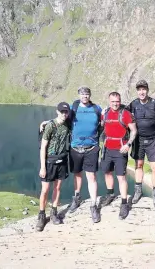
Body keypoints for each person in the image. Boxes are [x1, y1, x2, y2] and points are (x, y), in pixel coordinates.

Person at [40, 87, 102, 223]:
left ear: (90, 95)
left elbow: (104, 122)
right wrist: (48, 122)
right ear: (79, 95)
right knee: (77, 174)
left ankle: (93, 205)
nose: (85, 96)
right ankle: (77, 197)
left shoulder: (96, 109)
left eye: (87, 94)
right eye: (82, 94)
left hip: (91, 147)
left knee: (91, 176)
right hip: (75, 148)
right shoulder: (74, 108)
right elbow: (63, 116)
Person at [128, 80, 155, 208]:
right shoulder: (133, 104)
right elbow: (124, 116)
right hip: (138, 140)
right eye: (139, 89)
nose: (141, 92)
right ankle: (138, 191)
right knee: (138, 165)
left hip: (153, 140)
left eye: (143, 89)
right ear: (137, 91)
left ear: (147, 90)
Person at [100, 92, 137, 220]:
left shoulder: (125, 114)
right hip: (107, 148)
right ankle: (110, 195)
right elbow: (101, 126)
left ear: (120, 101)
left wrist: (128, 144)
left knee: (121, 177)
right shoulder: (105, 113)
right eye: (113, 101)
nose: (115, 104)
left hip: (121, 150)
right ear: (109, 101)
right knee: (107, 172)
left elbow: (133, 130)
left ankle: (124, 203)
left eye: (117, 101)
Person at [36, 102, 70, 232]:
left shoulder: (68, 124)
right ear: (57, 111)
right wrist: (42, 167)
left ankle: (54, 212)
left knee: (58, 187)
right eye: (62, 111)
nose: (64, 114)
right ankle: (41, 215)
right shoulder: (50, 126)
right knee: (45, 189)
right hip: (49, 161)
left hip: (61, 160)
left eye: (66, 112)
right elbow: (43, 147)